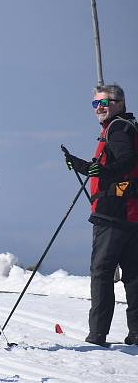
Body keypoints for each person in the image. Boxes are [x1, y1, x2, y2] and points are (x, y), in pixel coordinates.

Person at [64, 84, 138, 346]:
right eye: (95, 104)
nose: (100, 108)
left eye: (105, 102)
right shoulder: (129, 127)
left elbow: (125, 161)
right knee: (132, 273)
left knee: (102, 271)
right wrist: (83, 165)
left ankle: (98, 334)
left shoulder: (117, 129)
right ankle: (136, 332)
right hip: (131, 213)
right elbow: (117, 166)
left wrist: (101, 172)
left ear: (120, 103)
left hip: (113, 213)